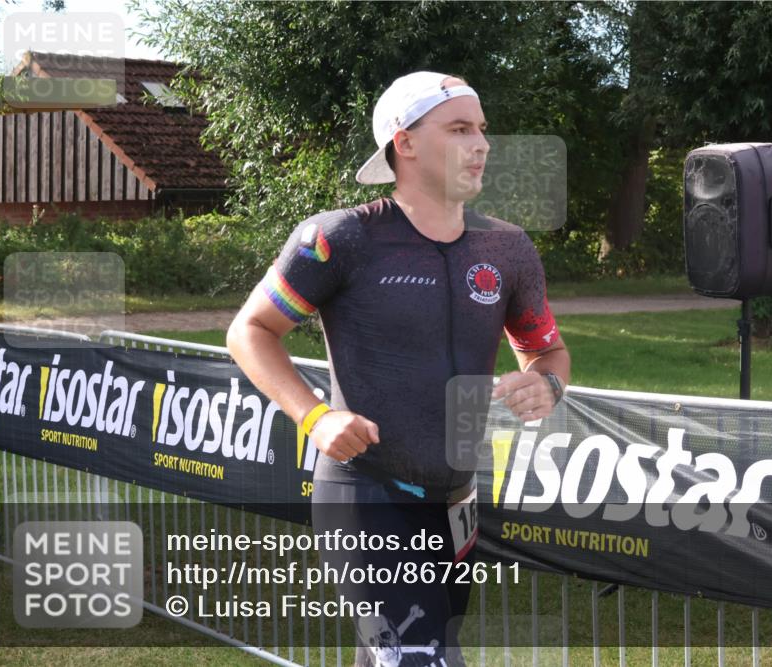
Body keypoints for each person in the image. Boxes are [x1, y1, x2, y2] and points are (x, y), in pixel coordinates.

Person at [227, 70, 571, 667]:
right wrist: (314, 417)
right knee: (420, 659)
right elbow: (250, 332)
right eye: (459, 128)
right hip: (368, 492)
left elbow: (547, 353)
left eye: (482, 129)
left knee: (396, 656)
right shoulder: (339, 237)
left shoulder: (509, 248)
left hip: (458, 501)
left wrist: (545, 384)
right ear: (403, 142)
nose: (481, 144)